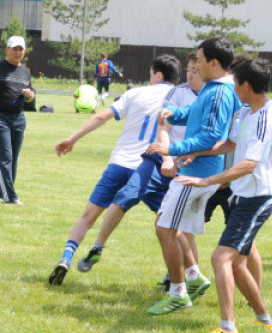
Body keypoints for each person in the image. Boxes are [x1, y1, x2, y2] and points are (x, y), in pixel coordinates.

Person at [172, 58, 272, 333]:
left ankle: (227, 327)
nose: (232, 87)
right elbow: (230, 144)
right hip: (242, 195)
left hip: (257, 199)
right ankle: (265, 319)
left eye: (235, 83)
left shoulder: (267, 118)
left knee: (220, 258)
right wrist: (197, 153)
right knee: (236, 262)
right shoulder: (246, 111)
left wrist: (207, 180)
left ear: (245, 86)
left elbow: (249, 164)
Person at [48, 55, 181, 286]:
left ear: (158, 75)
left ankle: (66, 258)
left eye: (151, 74)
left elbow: (102, 116)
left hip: (121, 163)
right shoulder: (181, 98)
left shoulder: (136, 93)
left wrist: (73, 138)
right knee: (170, 225)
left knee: (88, 216)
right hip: (152, 168)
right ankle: (175, 275)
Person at [80, 53, 205, 289]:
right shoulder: (177, 92)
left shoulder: (210, 98)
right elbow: (163, 125)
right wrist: (167, 157)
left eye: (195, 70)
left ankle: (188, 277)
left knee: (175, 223)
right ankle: (98, 246)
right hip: (158, 159)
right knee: (125, 196)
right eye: (188, 69)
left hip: (186, 165)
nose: (190, 74)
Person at [144, 37, 241, 315]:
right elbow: (194, 116)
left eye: (199, 59)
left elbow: (211, 135)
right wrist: (175, 113)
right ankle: (194, 279)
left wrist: (171, 148)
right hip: (196, 171)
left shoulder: (221, 92)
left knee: (165, 228)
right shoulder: (212, 88)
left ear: (213, 63)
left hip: (196, 174)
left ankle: (178, 292)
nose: (195, 64)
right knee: (172, 228)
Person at [0, 36, 35, 204]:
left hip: (18, 118)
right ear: (7, 50)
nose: (18, 52)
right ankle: (10, 196)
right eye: (15, 49)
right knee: (5, 157)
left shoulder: (25, 71)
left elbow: (31, 98)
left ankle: (1, 192)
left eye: (21, 49)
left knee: (14, 158)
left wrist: (30, 95)